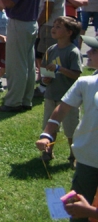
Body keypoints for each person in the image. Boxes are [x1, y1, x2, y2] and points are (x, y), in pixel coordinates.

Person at [36, 36, 98, 222]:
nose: (88, 53)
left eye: (93, 50)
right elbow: (61, 109)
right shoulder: (86, 83)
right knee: (77, 211)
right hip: (88, 159)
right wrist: (47, 135)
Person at [0, 0, 44, 112]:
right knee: (28, 64)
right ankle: (26, 99)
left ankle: (13, 101)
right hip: (31, 22)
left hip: (19, 23)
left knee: (16, 65)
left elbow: (10, 2)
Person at [40, 16, 83, 165]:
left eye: (59, 27)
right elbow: (45, 70)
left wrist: (60, 69)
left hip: (69, 98)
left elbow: (76, 74)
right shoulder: (51, 49)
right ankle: (48, 151)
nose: (54, 28)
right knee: (50, 125)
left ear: (69, 32)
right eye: (54, 25)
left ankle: (74, 155)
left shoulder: (73, 52)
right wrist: (46, 79)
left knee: (71, 129)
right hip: (51, 94)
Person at [34, 0, 66, 86]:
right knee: (42, 55)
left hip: (50, 25)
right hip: (51, 24)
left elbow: (48, 7)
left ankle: (46, 84)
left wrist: (38, 23)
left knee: (46, 56)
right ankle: (44, 80)